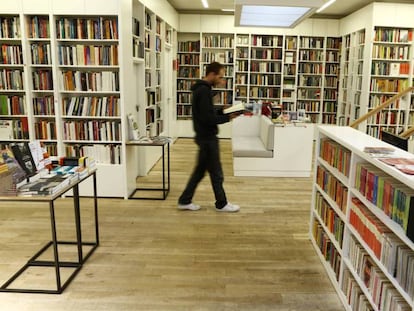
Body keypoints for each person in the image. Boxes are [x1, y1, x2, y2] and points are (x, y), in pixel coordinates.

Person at [177, 62, 240, 212]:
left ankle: (185, 200)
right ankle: (222, 203)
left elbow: (206, 114)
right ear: (211, 74)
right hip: (207, 138)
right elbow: (207, 119)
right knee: (216, 173)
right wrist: (227, 117)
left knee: (201, 172)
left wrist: (223, 112)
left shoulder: (202, 89)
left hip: (204, 136)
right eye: (220, 76)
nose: (221, 80)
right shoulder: (204, 91)